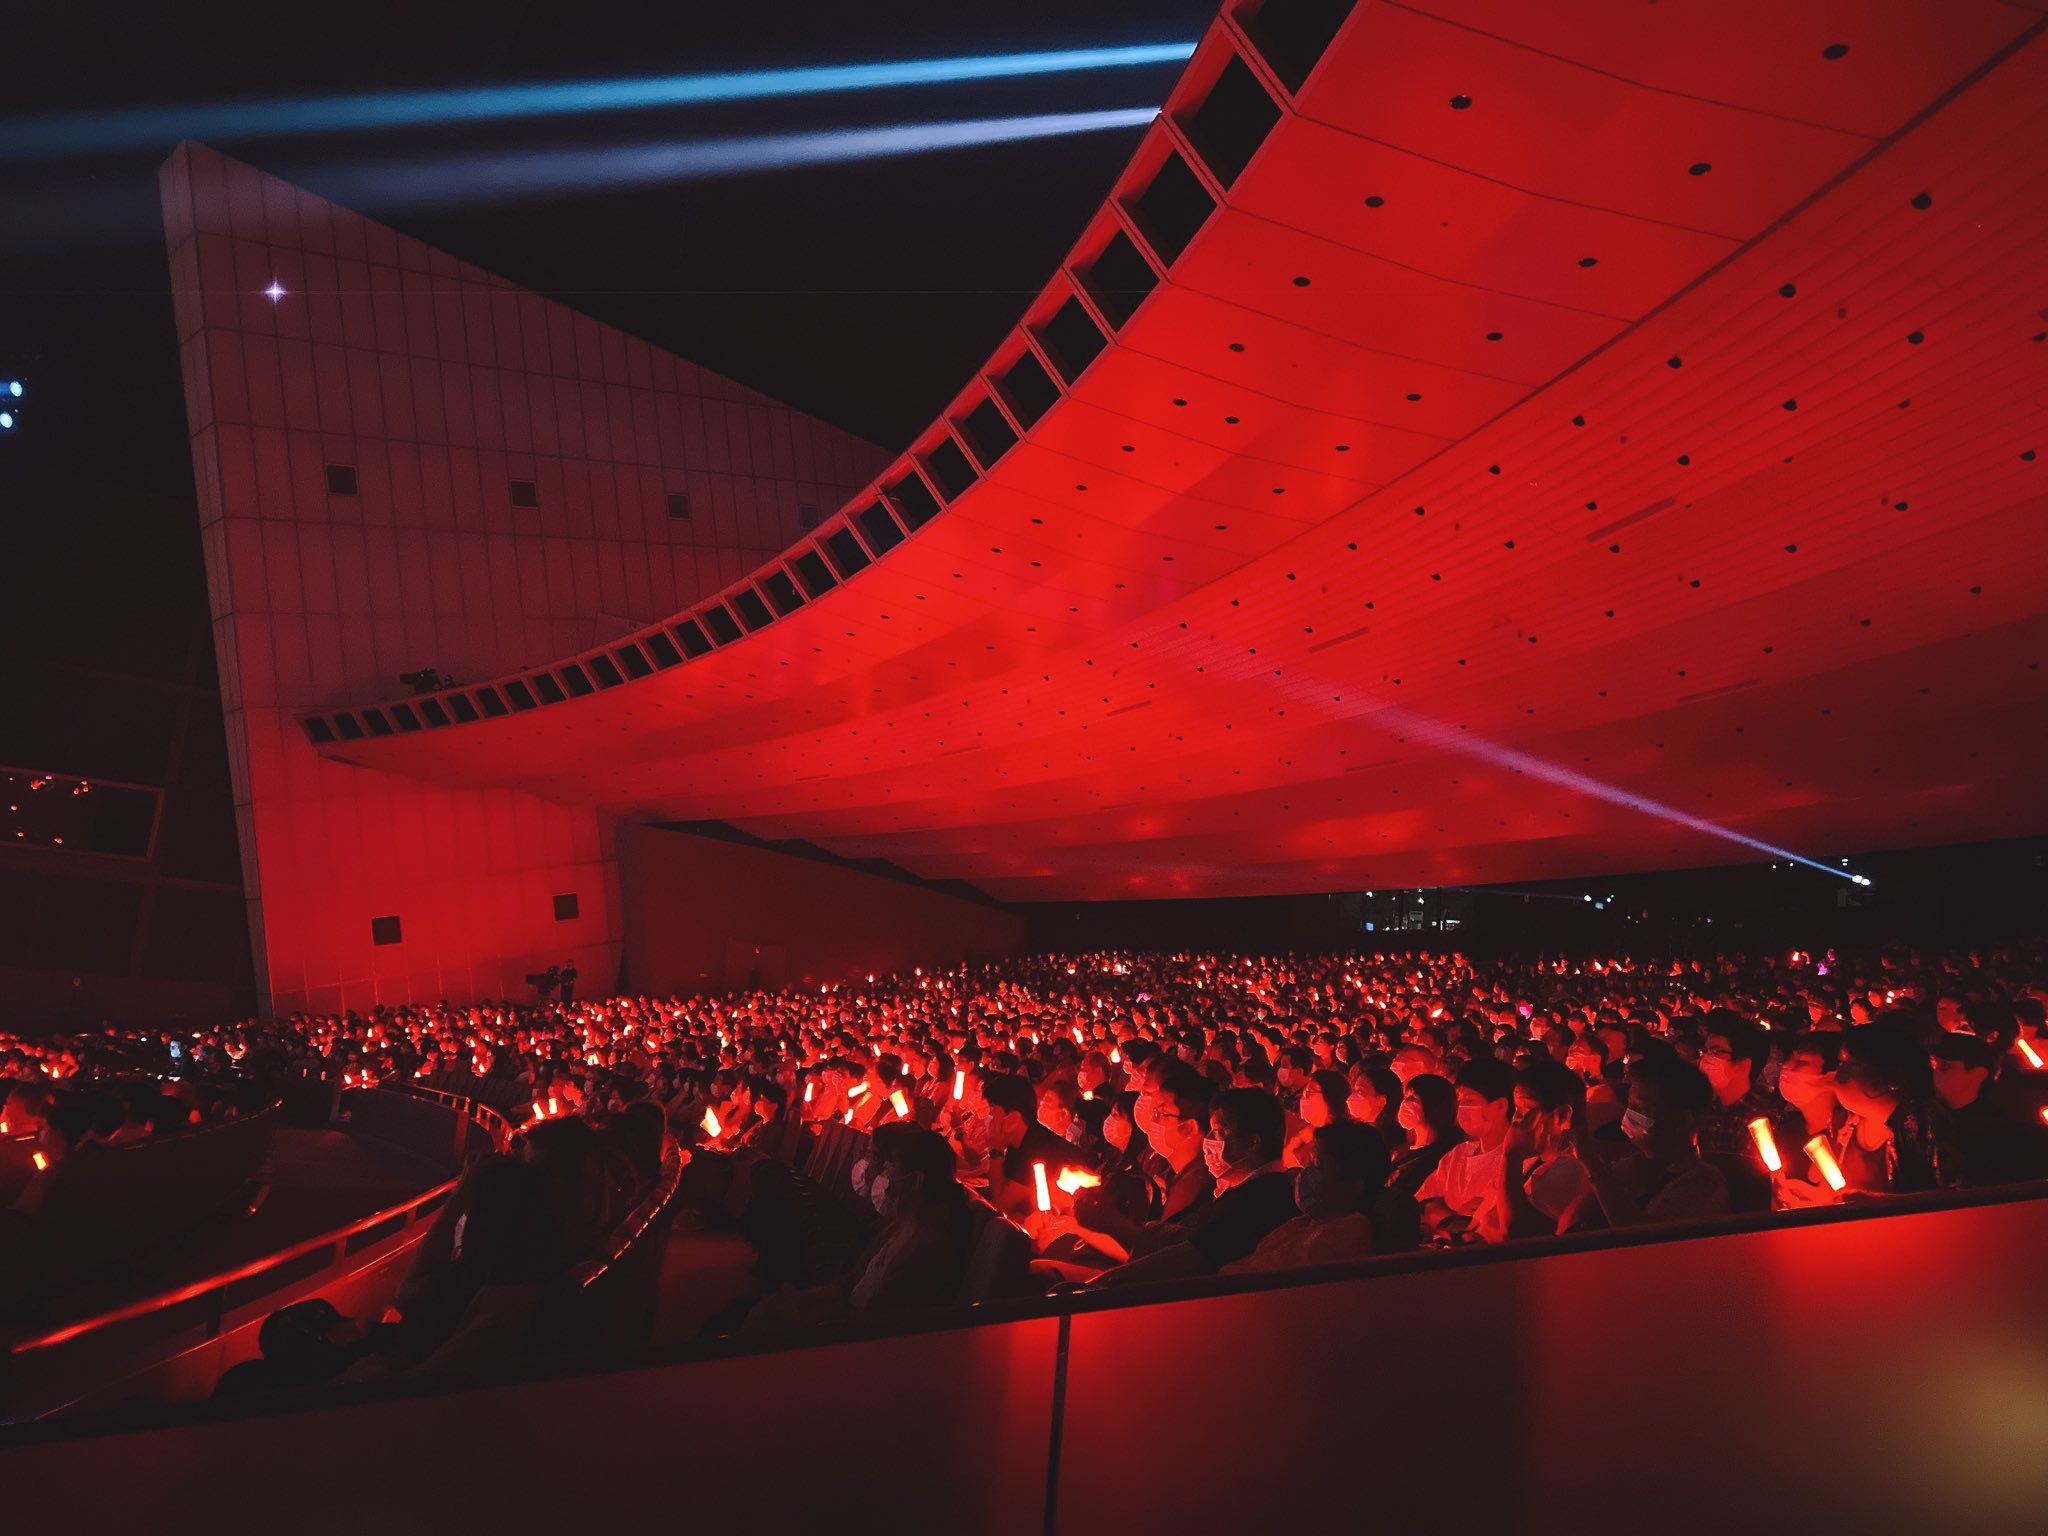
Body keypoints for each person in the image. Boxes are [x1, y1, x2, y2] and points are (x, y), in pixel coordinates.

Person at [1093, 1088, 1295, 1285]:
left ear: (1251, 1143)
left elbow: (1188, 1257)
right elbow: (1172, 1237)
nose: (1207, 1140)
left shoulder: (1265, 1198)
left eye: (1218, 1133)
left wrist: (1100, 1284)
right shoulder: (1223, 1189)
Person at [1571, 1050, 1729, 1228]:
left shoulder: (1703, 1184)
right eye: (1630, 1105)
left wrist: (1592, 1165)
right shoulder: (1633, 1165)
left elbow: (1644, 1236)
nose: (1631, 1115)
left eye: (1640, 1107)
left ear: (1683, 1120)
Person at [1224, 1120, 1386, 1274]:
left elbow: (1266, 1276)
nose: (1305, 1173)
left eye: (1318, 1165)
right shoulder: (1302, 1223)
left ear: (1352, 1187)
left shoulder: (1349, 1231)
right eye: (1309, 1163)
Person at [1475, 1059, 1589, 1242]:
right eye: (1516, 1109)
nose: (1516, 1119)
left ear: (1562, 1115)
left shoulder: (1572, 1168)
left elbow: (1516, 1231)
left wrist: (1511, 1154)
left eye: (1526, 1109)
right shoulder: (1537, 1161)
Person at [1415, 1057, 1515, 1242]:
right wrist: (1450, 1219)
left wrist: (1441, 1216)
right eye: (1460, 1100)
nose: (1462, 1108)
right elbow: (1424, 1202)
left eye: (1469, 1100)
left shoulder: (1515, 1160)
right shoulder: (1458, 1155)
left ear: (1501, 1105)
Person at [980, 1073, 1079, 1219]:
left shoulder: (1039, 1149)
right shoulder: (1019, 1143)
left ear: (1013, 1119)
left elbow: (1000, 1205)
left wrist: (995, 1150)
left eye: (991, 1112)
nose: (987, 1118)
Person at [1387, 1072, 1461, 1203]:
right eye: (1405, 1097)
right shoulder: (1400, 1151)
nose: (1404, 1103)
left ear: (1433, 1105)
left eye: (1413, 1098)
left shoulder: (1446, 1156)